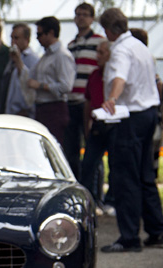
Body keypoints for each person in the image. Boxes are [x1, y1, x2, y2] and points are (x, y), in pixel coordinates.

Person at [99, 7, 163, 252]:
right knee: (145, 175)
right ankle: (156, 230)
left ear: (108, 30)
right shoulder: (141, 46)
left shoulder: (121, 50)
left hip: (130, 117)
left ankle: (129, 237)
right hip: (148, 114)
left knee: (125, 177)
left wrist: (112, 99)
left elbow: (119, 78)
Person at [18, 17, 75, 146]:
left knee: (53, 147)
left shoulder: (61, 55)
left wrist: (41, 86)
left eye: (39, 34)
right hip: (42, 108)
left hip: (54, 108)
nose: (37, 38)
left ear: (50, 33)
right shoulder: (46, 56)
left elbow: (66, 86)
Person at [65, 3, 105, 178]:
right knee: (71, 148)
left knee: (92, 149)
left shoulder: (99, 42)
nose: (80, 17)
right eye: (77, 14)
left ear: (91, 18)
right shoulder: (71, 45)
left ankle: (95, 189)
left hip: (88, 100)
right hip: (72, 99)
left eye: (84, 14)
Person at [80, 40, 112, 208]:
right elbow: (87, 101)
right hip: (97, 125)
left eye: (101, 53)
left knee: (115, 166)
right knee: (89, 163)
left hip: (115, 125)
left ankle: (111, 201)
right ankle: (89, 201)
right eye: (97, 52)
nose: (97, 56)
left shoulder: (115, 75)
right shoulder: (94, 75)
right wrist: (87, 126)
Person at [2, 23, 38, 117]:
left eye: (16, 38)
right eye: (12, 38)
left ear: (27, 39)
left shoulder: (32, 59)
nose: (13, 42)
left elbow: (29, 84)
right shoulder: (11, 59)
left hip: (23, 112)